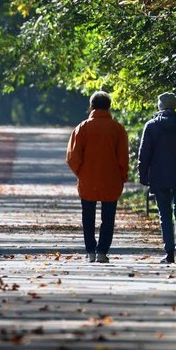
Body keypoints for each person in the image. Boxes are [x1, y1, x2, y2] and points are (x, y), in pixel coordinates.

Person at [66, 91, 129, 263]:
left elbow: (72, 157)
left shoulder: (82, 128)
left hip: (88, 179)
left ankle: (90, 251)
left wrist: (81, 173)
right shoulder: (117, 129)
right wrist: (122, 176)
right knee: (108, 218)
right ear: (109, 106)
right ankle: (102, 251)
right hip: (111, 179)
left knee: (88, 216)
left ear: (91, 105)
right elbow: (123, 157)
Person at [138, 92, 176, 263]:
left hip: (159, 176)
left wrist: (143, 175)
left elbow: (144, 154)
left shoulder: (151, 126)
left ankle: (169, 252)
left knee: (165, 214)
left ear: (160, 106)